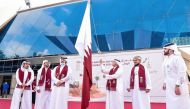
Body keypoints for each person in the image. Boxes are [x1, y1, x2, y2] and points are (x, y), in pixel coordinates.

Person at [162, 43, 190, 109]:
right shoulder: (166, 59)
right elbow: (166, 73)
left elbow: (182, 73)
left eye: (165, 49)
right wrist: (165, 82)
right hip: (169, 86)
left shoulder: (177, 58)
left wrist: (177, 85)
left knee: (180, 102)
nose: (164, 50)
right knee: (171, 102)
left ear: (171, 50)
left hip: (178, 85)